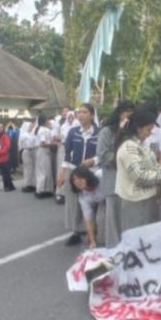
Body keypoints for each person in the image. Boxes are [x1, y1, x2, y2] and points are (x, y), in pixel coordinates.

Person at [116, 107, 161, 231]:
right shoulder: (129, 148)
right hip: (137, 202)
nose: (150, 133)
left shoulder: (140, 145)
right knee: (139, 238)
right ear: (138, 127)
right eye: (148, 129)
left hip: (146, 199)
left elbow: (151, 166)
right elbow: (141, 177)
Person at [58, 104, 100, 246]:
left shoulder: (99, 133)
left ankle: (92, 233)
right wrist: (63, 172)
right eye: (79, 112)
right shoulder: (73, 132)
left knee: (93, 203)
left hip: (92, 173)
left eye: (85, 112)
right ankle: (76, 231)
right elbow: (67, 153)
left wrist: (92, 161)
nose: (81, 115)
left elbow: (103, 154)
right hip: (75, 172)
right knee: (73, 203)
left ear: (92, 115)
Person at [97, 101, 134, 246]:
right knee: (113, 222)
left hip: (130, 185)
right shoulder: (106, 132)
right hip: (113, 183)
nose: (129, 119)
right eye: (127, 115)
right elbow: (103, 157)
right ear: (119, 114)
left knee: (127, 221)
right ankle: (113, 251)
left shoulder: (133, 133)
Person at [70, 166, 106, 249]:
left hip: (115, 195)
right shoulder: (82, 196)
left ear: (88, 177)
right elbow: (88, 219)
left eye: (80, 178)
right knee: (97, 222)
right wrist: (92, 240)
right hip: (102, 200)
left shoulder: (101, 175)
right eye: (74, 179)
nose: (77, 181)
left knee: (103, 218)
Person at [55, 111, 77, 204]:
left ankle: (69, 192)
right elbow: (61, 138)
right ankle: (60, 193)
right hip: (64, 150)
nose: (71, 119)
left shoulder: (76, 126)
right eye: (69, 117)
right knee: (62, 170)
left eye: (72, 117)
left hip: (74, 151)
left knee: (71, 172)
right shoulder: (64, 127)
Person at [34, 114, 55, 198]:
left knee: (46, 170)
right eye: (47, 120)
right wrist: (52, 144)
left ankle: (47, 189)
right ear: (44, 121)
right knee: (42, 171)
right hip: (42, 151)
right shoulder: (42, 130)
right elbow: (42, 143)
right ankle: (40, 190)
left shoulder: (45, 129)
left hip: (45, 152)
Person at [0, 123, 16, 192]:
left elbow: (7, 147)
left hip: (3, 157)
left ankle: (7, 187)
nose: (0, 128)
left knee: (5, 173)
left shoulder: (5, 136)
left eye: (1, 127)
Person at [19, 120, 37, 193]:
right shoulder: (24, 135)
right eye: (30, 126)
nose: (31, 128)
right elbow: (28, 145)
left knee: (31, 169)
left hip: (31, 152)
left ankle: (31, 183)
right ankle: (27, 184)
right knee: (28, 169)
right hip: (27, 152)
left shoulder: (29, 134)